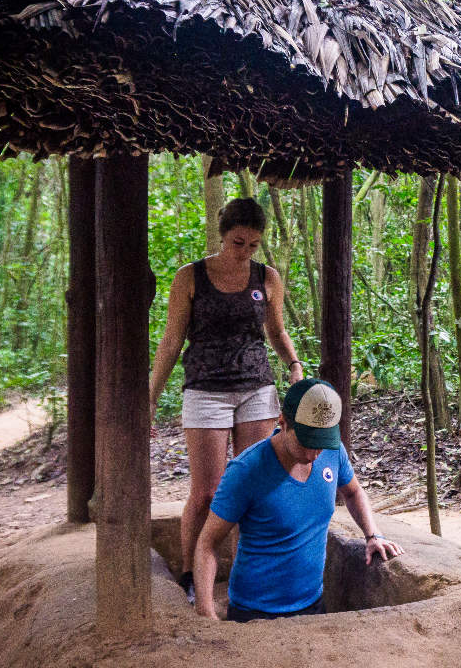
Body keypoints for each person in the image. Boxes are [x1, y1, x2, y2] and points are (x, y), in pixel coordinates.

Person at [148, 197, 303, 603]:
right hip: (205, 390)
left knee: (252, 484)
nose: (245, 251)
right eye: (238, 243)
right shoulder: (191, 277)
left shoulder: (267, 277)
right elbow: (170, 341)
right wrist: (150, 397)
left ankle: (245, 571)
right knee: (207, 491)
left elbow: (277, 332)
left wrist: (294, 364)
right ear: (222, 236)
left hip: (256, 387)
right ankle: (188, 572)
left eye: (253, 245)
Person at [193, 378, 403, 622]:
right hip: (254, 613)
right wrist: (206, 611)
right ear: (283, 423)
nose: (314, 454)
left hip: (313, 604)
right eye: (307, 442)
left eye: (322, 444)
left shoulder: (333, 452)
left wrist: (372, 534)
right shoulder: (245, 471)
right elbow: (207, 544)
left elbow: (353, 492)